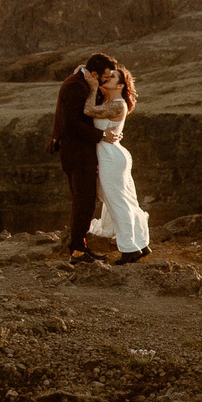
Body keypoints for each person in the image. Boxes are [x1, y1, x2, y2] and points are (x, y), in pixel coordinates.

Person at [82, 60, 152, 264]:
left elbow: (87, 110)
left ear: (121, 85)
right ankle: (140, 243)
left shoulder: (116, 104)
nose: (107, 78)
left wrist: (93, 87)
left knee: (117, 201)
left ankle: (130, 248)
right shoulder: (111, 102)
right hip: (112, 153)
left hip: (110, 156)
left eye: (112, 77)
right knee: (126, 200)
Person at [48, 54, 110, 260]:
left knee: (84, 200)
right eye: (105, 77)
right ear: (94, 74)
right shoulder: (74, 86)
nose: (106, 82)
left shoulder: (81, 82)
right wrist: (102, 136)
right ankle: (77, 250)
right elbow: (72, 124)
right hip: (77, 152)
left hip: (80, 151)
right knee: (84, 201)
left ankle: (80, 246)